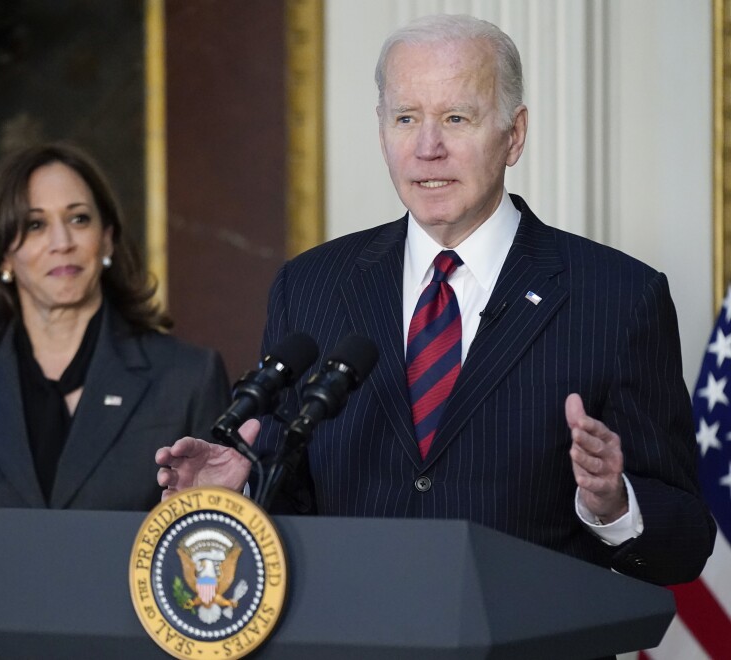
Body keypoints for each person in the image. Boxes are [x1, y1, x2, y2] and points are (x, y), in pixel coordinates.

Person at [157, 14, 716, 587]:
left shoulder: (618, 298)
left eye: (456, 118)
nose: (428, 148)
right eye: (406, 119)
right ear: (382, 134)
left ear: (514, 135)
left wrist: (613, 504)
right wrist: (240, 493)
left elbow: (686, 542)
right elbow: (290, 503)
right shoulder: (311, 287)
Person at [0, 142, 230, 659]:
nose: (61, 242)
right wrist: (10, 631)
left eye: (78, 219)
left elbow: (216, 557)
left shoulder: (187, 377)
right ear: (3, 255)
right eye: (35, 225)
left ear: (106, 238)